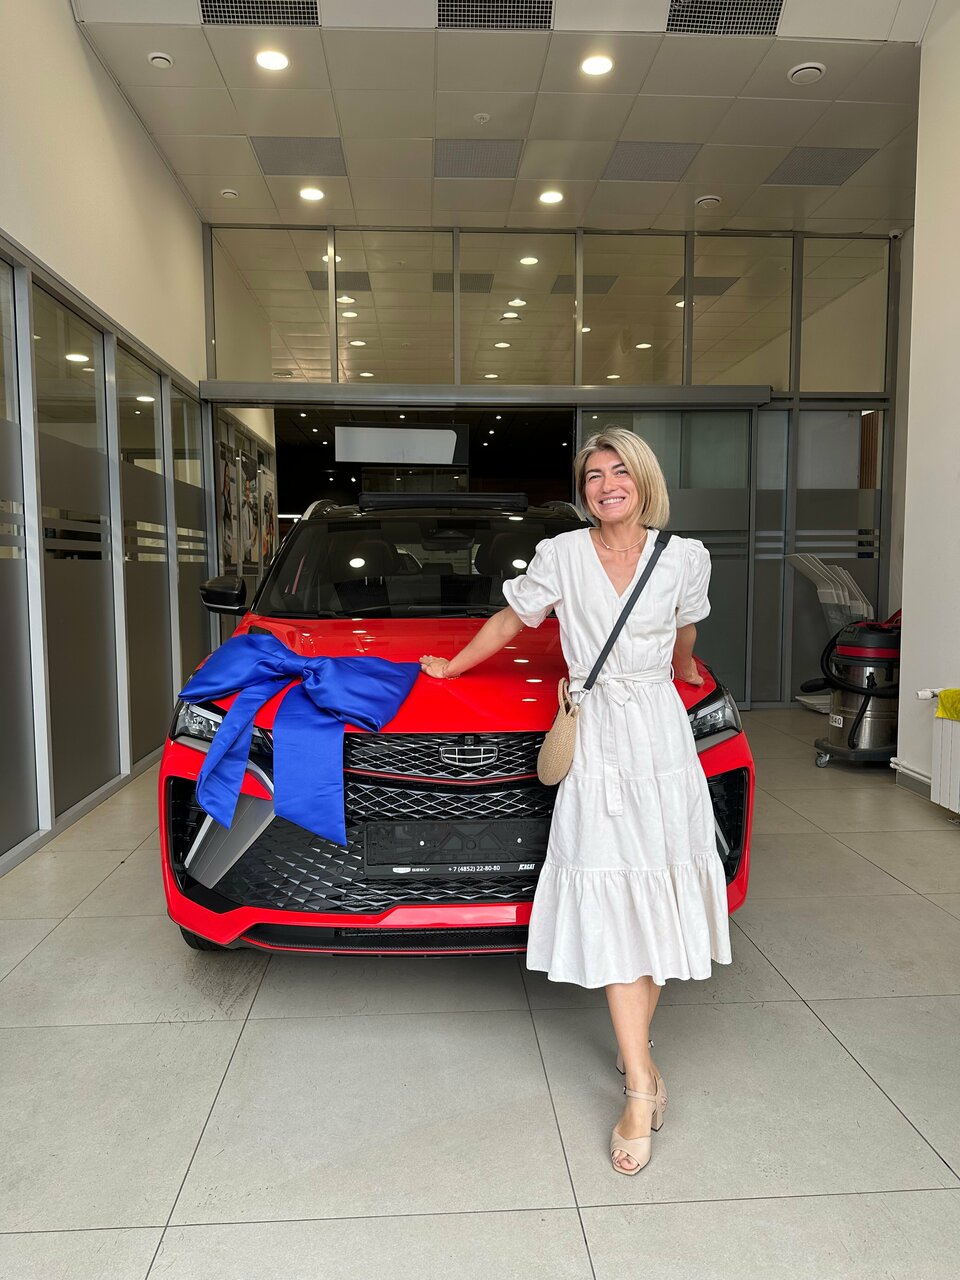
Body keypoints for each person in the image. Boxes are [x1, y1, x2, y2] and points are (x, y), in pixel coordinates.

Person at [420, 428, 732, 1176]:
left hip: (661, 737)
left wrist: (687, 669)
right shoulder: (561, 554)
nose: (606, 484)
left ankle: (639, 1062)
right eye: (593, 475)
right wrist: (453, 666)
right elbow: (512, 620)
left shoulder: (683, 556)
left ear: (644, 481)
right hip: (596, 736)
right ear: (584, 490)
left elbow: (684, 631)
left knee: (656, 888)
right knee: (615, 892)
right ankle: (639, 1085)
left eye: (619, 470)